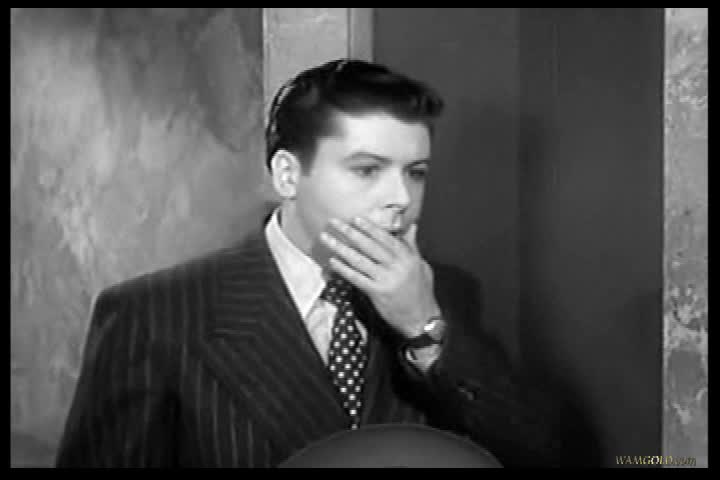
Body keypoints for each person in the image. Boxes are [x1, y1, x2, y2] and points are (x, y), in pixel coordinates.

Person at [56, 59, 570, 468]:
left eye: (415, 173)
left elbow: (534, 454)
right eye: (367, 170)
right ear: (287, 175)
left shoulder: (446, 293)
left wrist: (424, 330)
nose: (400, 198)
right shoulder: (154, 314)